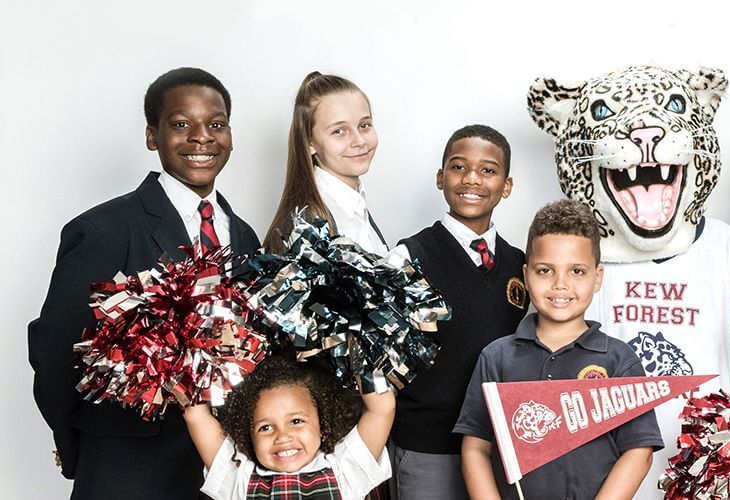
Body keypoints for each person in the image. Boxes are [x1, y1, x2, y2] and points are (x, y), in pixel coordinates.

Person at [27, 67, 261, 499]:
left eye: (216, 124)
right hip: (127, 467)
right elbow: (55, 351)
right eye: (181, 124)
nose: (201, 137)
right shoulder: (103, 231)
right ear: (153, 136)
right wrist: (82, 443)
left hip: (223, 471)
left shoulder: (244, 236)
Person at [452, 200, 663, 499]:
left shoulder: (619, 361)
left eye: (576, 271)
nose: (560, 284)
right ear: (526, 275)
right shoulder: (496, 357)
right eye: (545, 271)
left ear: (597, 278)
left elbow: (639, 452)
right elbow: (475, 448)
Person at [390, 125, 528, 500]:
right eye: (458, 166)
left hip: (498, 448)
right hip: (428, 447)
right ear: (441, 177)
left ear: (507, 185)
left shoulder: (522, 266)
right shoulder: (408, 258)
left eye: (488, 170)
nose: (472, 179)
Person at [183, 355, 395, 499]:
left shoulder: (346, 469)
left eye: (296, 421)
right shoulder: (237, 476)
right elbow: (196, 415)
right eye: (265, 427)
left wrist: (357, 337)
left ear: (322, 424)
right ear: (249, 434)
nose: (282, 436)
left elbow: (381, 408)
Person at [265, 71, 389, 255]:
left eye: (364, 125)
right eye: (339, 130)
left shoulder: (355, 206)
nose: (359, 141)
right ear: (309, 142)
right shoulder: (308, 227)